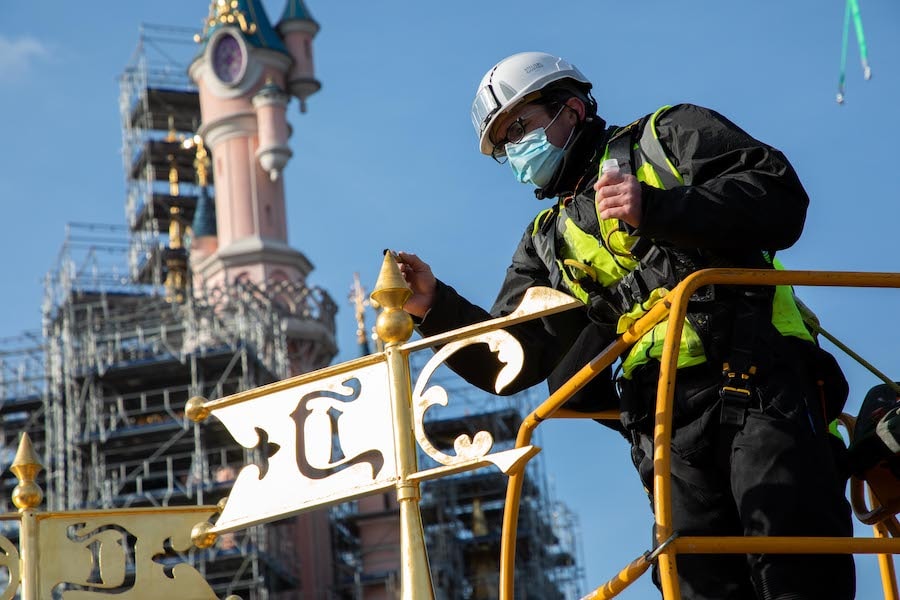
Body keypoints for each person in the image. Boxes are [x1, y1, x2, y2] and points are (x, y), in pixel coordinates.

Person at [397, 51, 856, 599]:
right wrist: (434, 307)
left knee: (795, 575)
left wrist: (658, 208)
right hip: (664, 427)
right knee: (697, 586)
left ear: (570, 108)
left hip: (762, 386)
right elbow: (512, 358)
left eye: (519, 127)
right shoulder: (548, 241)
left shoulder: (668, 137)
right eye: (502, 144)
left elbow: (779, 199)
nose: (514, 149)